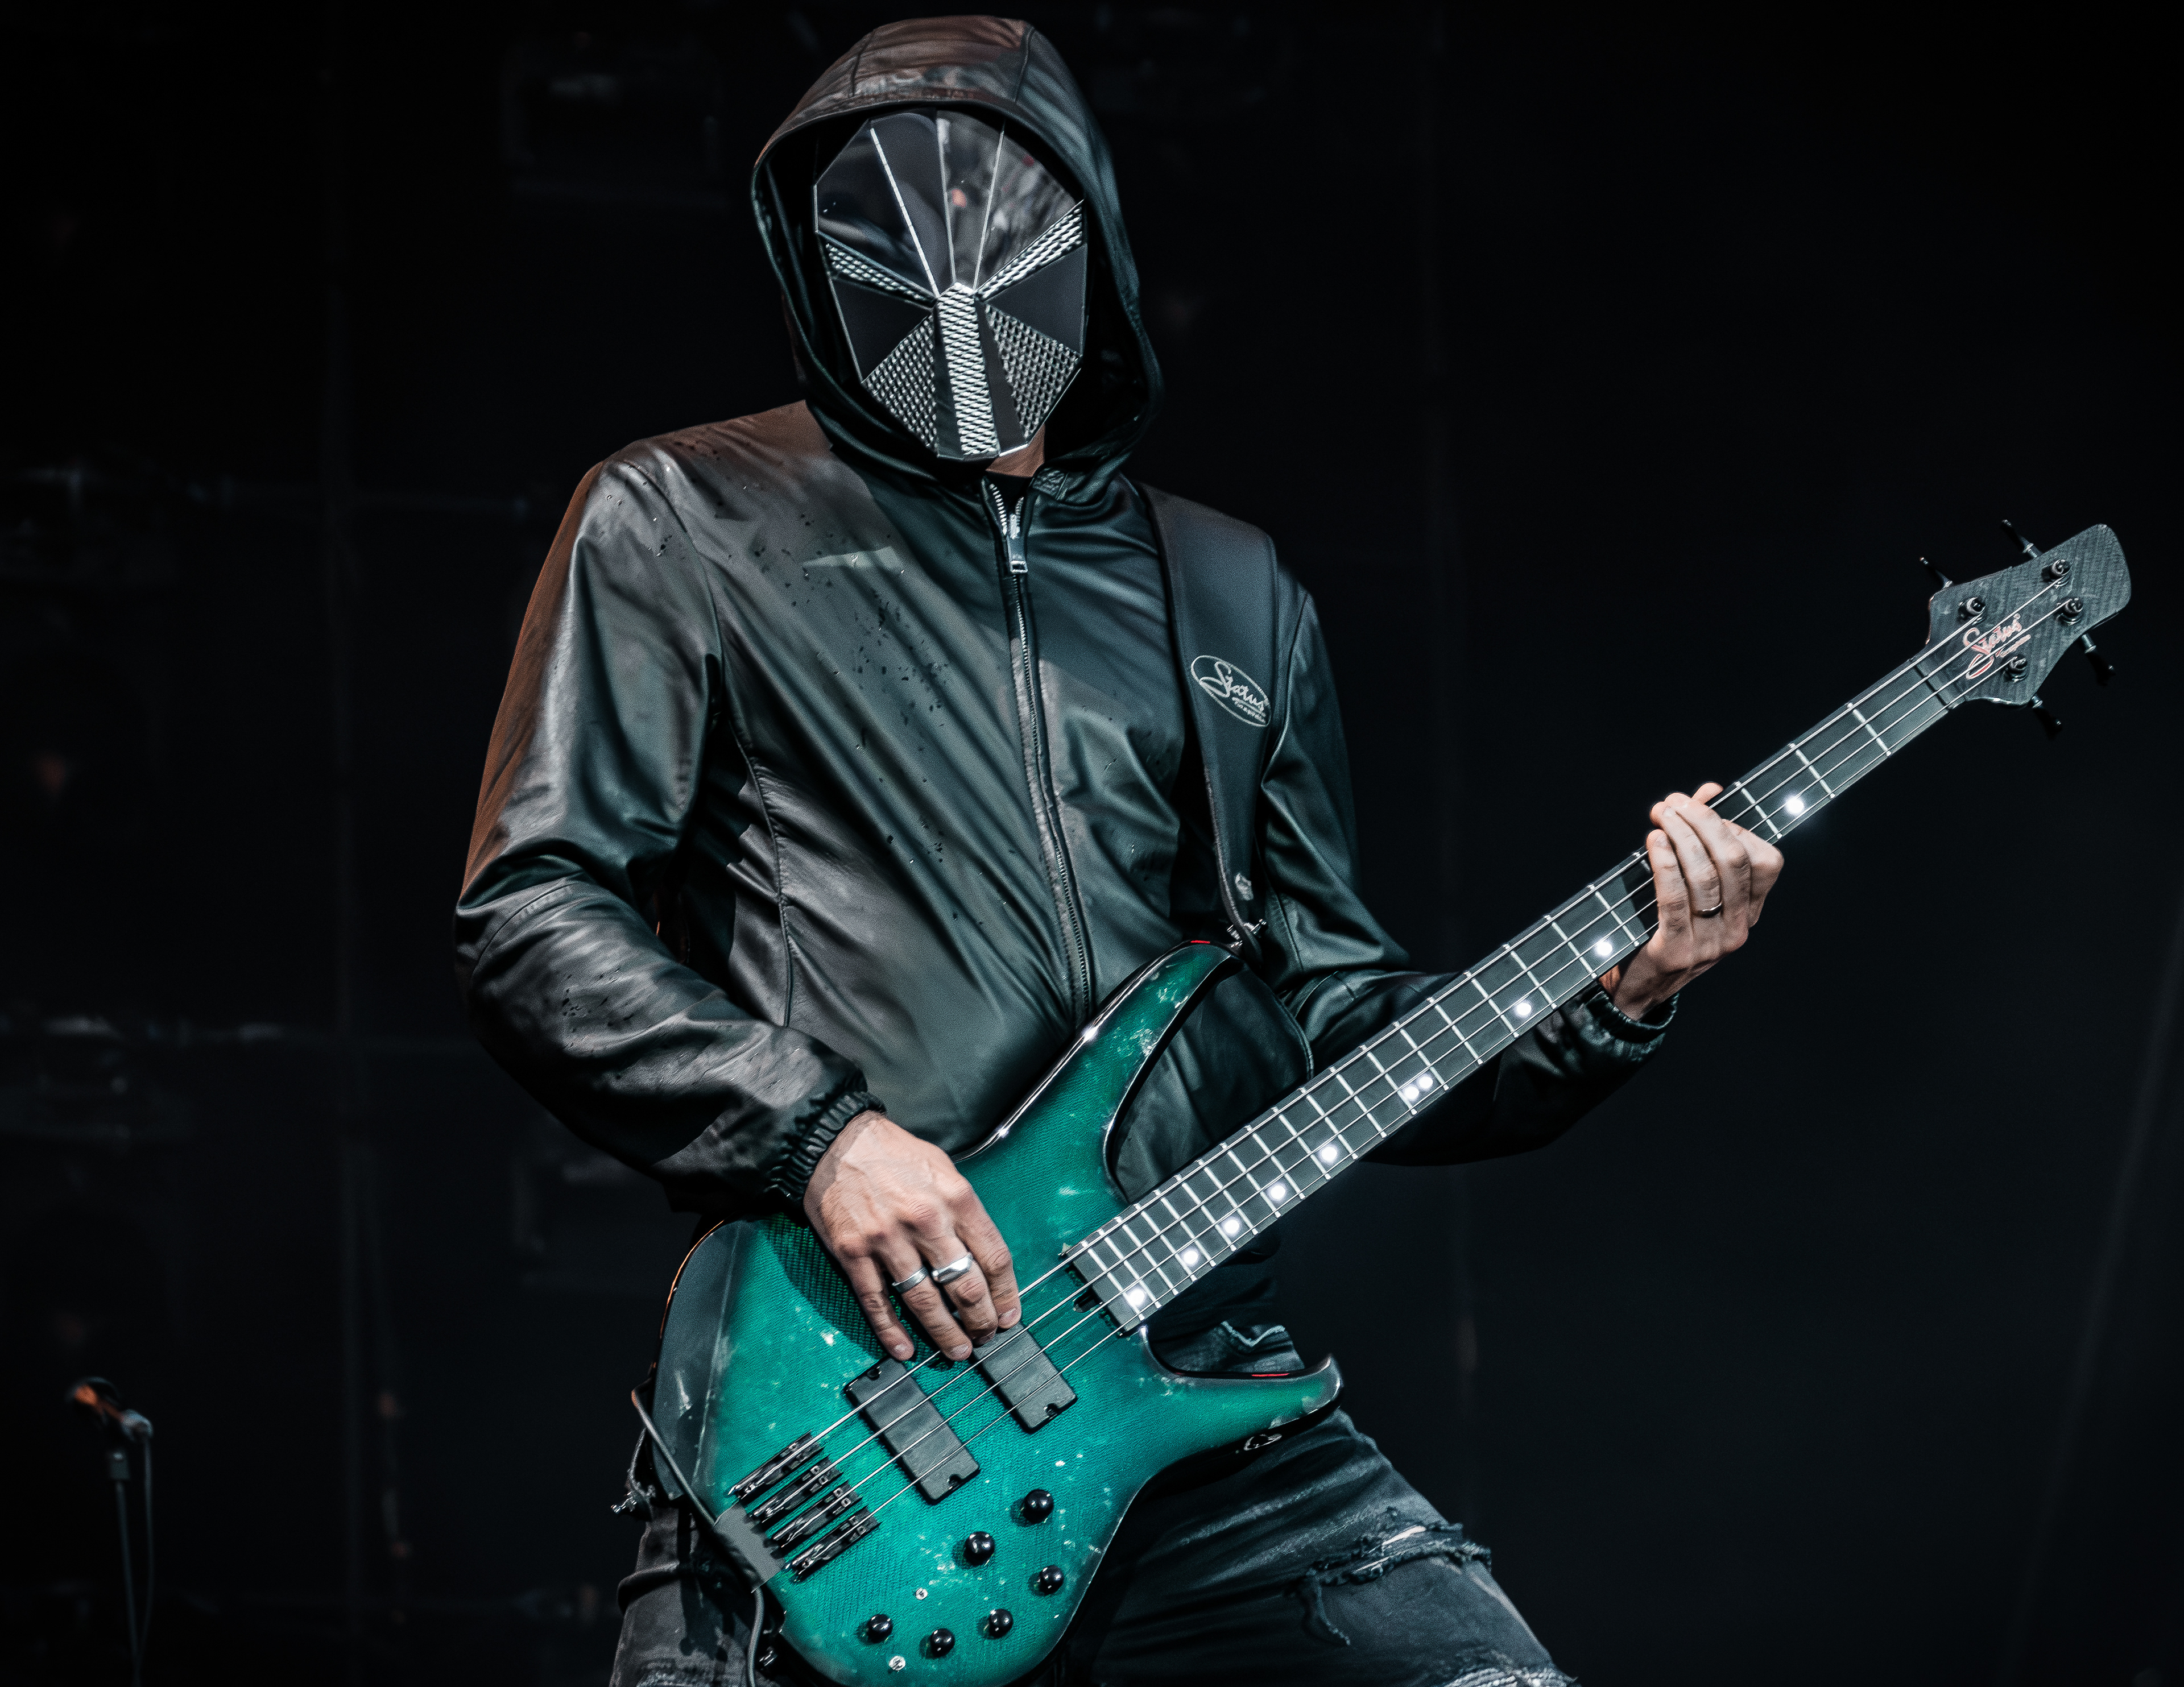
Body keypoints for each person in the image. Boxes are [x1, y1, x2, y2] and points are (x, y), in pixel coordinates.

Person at [454, 18, 1782, 1686]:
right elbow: (531, 910)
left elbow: (1329, 1014)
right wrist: (818, 1137)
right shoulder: (681, 518)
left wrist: (1617, 996)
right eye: (898, 229)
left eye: (997, 220)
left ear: (1088, 234)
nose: (953, 276)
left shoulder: (1230, 593)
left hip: (1196, 1393)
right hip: (866, 1412)